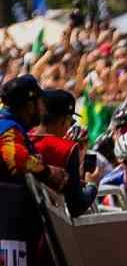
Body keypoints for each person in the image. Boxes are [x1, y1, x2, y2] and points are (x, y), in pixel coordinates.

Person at [30, 89, 96, 217]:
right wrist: (92, 185)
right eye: (70, 122)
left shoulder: (20, 138)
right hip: (45, 227)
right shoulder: (67, 149)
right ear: (64, 120)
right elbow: (76, 207)